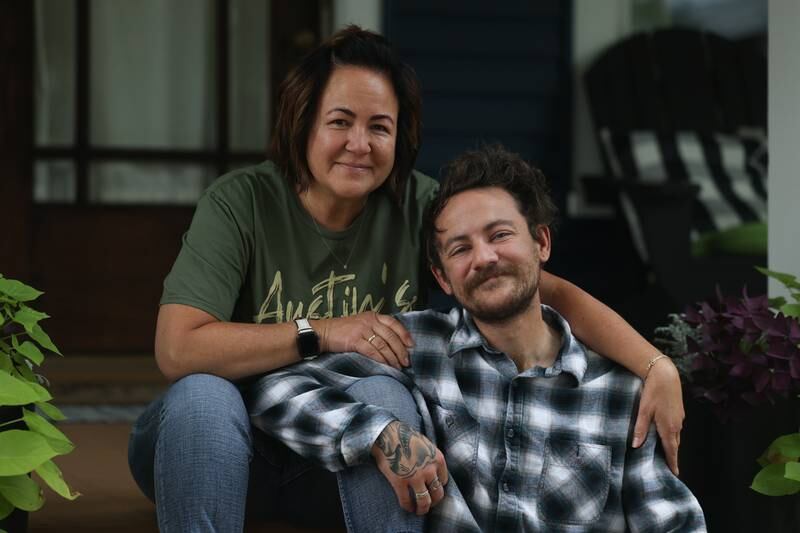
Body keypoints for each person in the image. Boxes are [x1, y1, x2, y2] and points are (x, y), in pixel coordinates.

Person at [128, 26, 685, 532]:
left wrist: (654, 365)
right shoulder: (242, 202)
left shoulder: (420, 207)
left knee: (382, 390)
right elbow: (178, 349)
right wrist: (321, 331)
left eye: (380, 127)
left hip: (341, 462)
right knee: (202, 394)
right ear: (302, 123)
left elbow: (539, 286)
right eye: (340, 122)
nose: (360, 144)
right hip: (224, 448)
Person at [247, 144, 707, 532]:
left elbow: (674, 521)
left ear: (541, 244)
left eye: (500, 235)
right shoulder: (414, 345)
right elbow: (273, 390)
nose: (483, 258)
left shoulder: (620, 393)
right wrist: (378, 433)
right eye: (460, 248)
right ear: (442, 277)